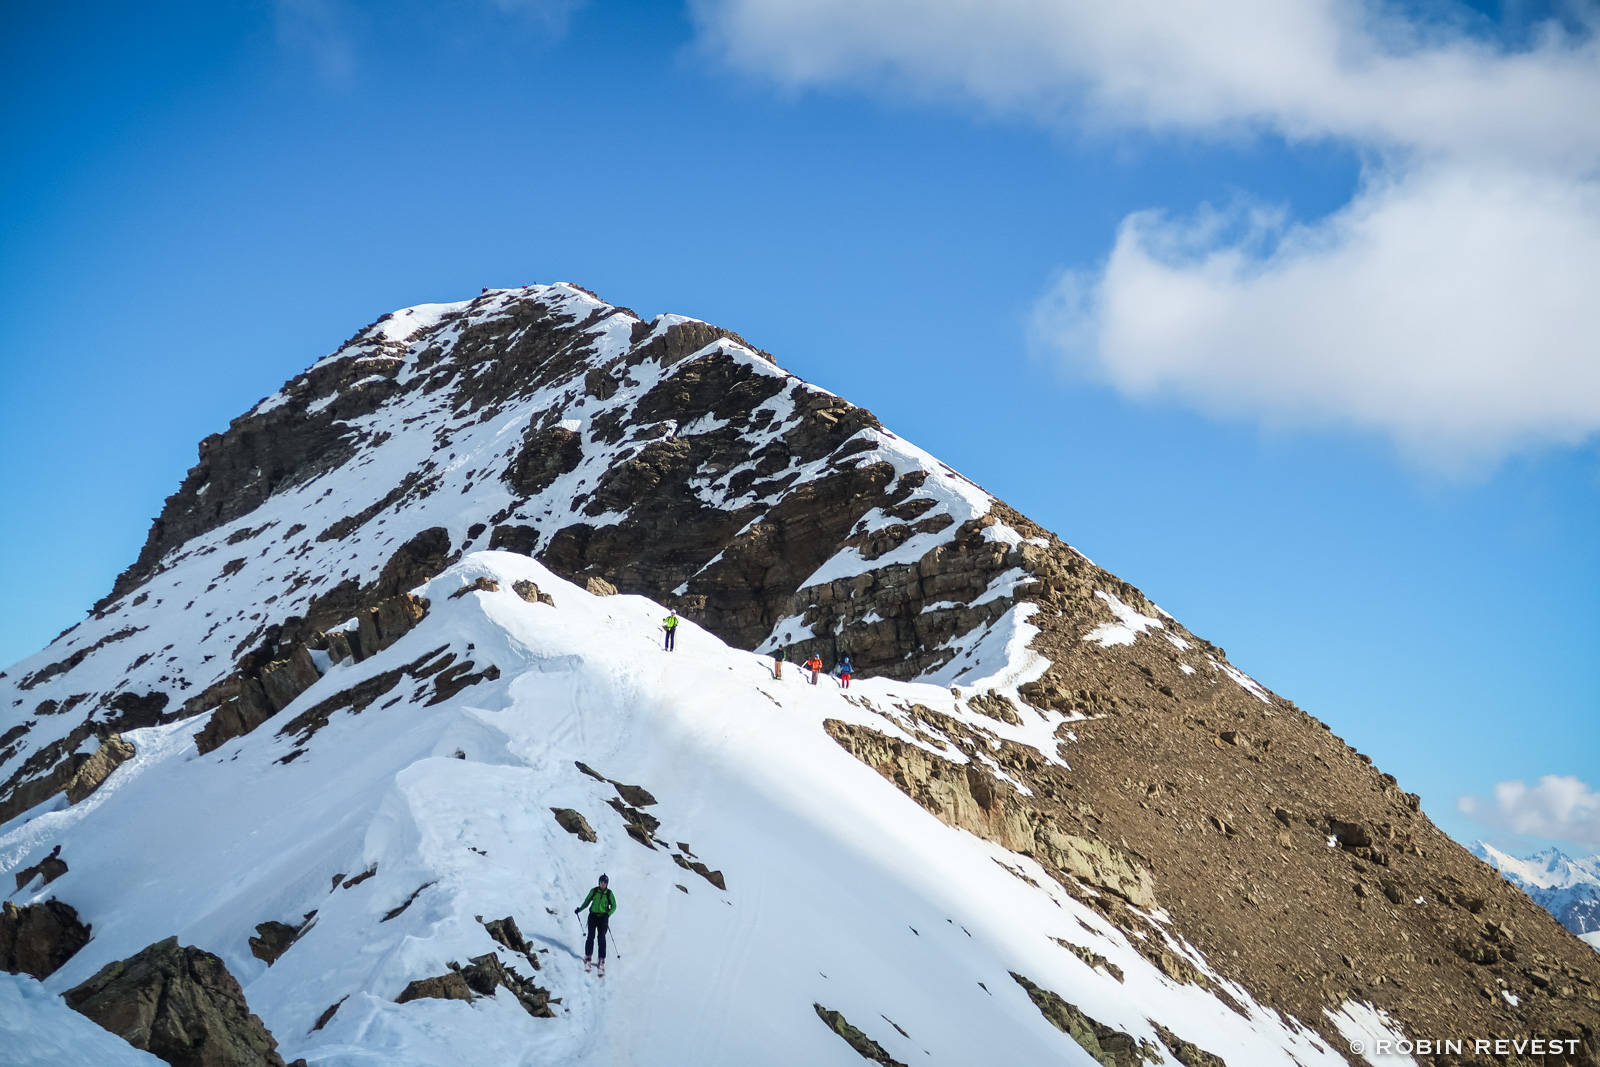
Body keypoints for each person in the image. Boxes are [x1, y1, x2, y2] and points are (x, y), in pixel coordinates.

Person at [575, 874, 617, 973]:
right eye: (601, 882)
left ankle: (601, 959)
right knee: (591, 936)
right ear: (599, 883)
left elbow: (614, 906)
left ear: (607, 884)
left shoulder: (609, 893)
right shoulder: (594, 891)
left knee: (601, 938)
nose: (602, 884)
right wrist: (579, 909)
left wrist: (608, 914)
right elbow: (587, 901)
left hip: (603, 917)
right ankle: (588, 956)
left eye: (604, 883)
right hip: (593, 916)